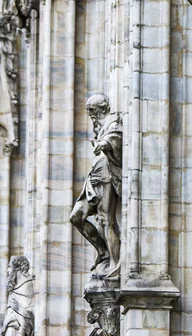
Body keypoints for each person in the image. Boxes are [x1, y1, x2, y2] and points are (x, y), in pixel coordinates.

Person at [70, 94, 122, 277]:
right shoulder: (100, 125)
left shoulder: (112, 121)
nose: (90, 115)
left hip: (106, 175)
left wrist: (104, 143)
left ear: (102, 108)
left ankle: (115, 264)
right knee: (76, 216)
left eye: (92, 110)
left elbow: (116, 137)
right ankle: (103, 251)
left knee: (106, 220)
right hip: (94, 177)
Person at [1, 256, 34, 336]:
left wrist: (21, 331)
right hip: (10, 327)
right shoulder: (13, 290)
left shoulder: (28, 285)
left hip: (19, 330)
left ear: (17, 268)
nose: (8, 270)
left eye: (9, 267)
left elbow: (28, 313)